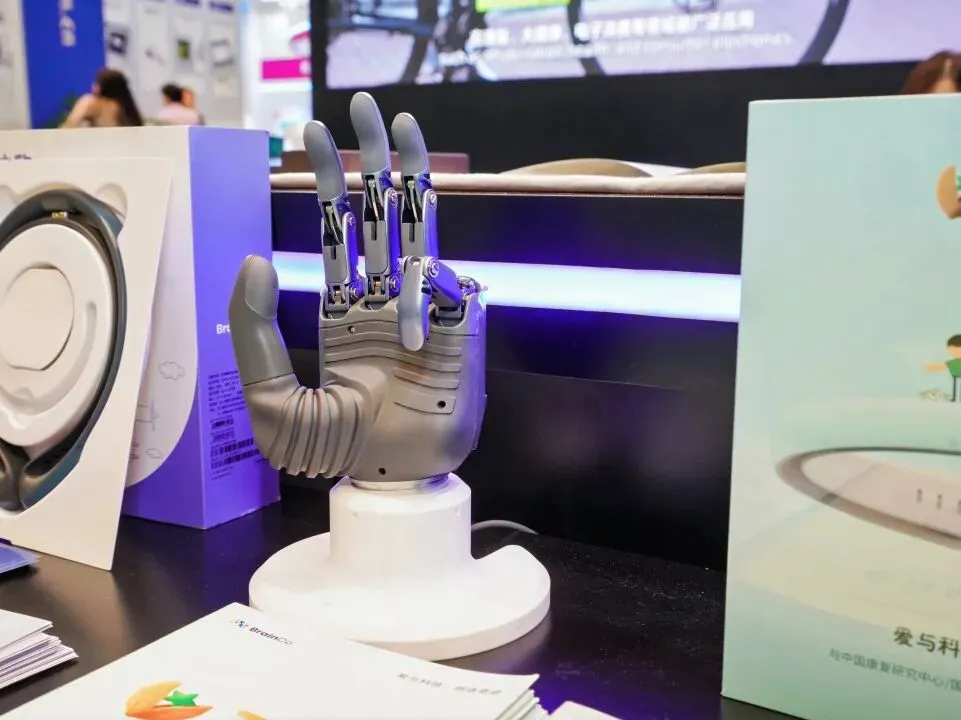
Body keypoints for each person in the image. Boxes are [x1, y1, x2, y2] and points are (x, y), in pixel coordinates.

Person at [61, 68, 143, 128]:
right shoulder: (128, 111)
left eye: (96, 82)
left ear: (100, 87)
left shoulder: (89, 102)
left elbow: (69, 126)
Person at [925, 335, 961, 401]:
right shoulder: (952, 362)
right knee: (955, 386)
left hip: (955, 375)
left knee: (955, 385)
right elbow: (942, 366)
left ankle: (954, 398)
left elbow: (942, 366)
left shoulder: (952, 362)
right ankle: (954, 398)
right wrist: (931, 367)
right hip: (955, 374)